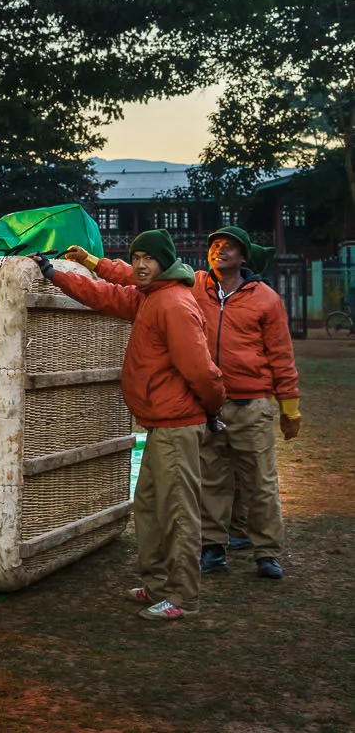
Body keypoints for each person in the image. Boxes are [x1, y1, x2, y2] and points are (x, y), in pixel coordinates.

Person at [66, 227, 300, 580]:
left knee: (260, 479)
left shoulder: (266, 299)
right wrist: (93, 262)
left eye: (229, 246)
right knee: (212, 478)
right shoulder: (194, 285)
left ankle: (267, 551)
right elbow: (137, 275)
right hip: (204, 400)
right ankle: (213, 547)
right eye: (215, 245)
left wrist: (289, 408)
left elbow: (281, 355)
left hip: (250, 402)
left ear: (244, 256)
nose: (219, 250)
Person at [33, 230, 225, 620]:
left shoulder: (173, 304)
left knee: (178, 512)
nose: (139, 265)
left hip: (177, 425)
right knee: (151, 508)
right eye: (136, 257)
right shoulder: (149, 297)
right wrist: (55, 274)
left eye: (148, 258)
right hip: (160, 424)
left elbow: (203, 372)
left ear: (164, 262)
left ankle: (184, 597)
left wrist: (211, 410)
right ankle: (157, 585)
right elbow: (104, 295)